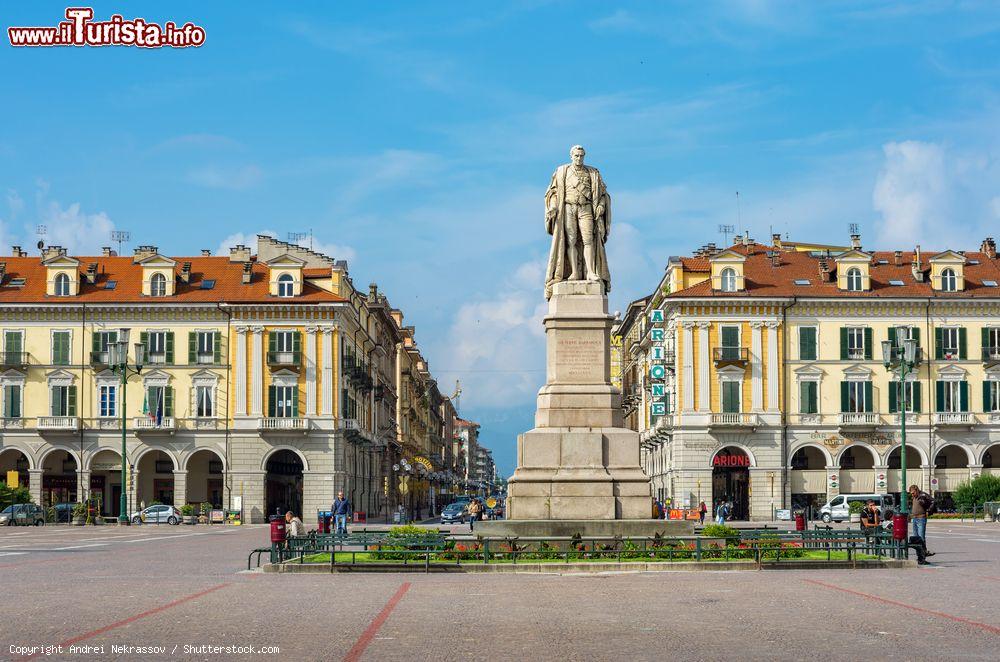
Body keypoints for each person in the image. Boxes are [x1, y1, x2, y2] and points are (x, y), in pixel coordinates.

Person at [908, 485, 935, 557]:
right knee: (916, 537)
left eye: (913, 493)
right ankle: (919, 554)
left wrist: (928, 511)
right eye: (911, 493)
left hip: (921, 518)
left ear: (916, 490)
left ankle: (923, 554)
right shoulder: (914, 497)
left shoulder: (923, 495)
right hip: (915, 518)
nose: (912, 494)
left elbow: (933, 501)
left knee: (921, 537)